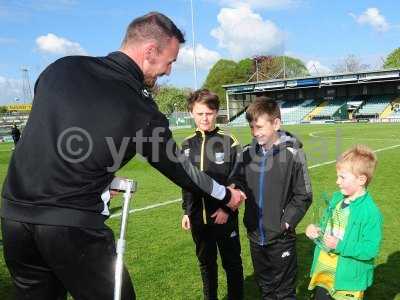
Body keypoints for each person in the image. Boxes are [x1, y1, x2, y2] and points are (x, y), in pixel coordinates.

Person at [0, 12, 245, 300]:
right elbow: (180, 169)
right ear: (150, 52)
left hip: (13, 220)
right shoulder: (140, 107)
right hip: (71, 226)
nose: (167, 71)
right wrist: (226, 195)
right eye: (170, 61)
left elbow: (54, 136)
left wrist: (101, 176)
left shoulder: (61, 68)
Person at [230, 98, 312, 299]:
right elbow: (237, 179)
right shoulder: (247, 153)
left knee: (284, 291)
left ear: (276, 123)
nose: (255, 132)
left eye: (259, 126)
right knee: (266, 288)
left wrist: (285, 222)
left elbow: (304, 194)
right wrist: (233, 188)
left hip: (281, 237)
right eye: (251, 127)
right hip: (255, 235)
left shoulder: (294, 154)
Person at [181, 89, 244, 300]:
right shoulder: (186, 145)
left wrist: (227, 208)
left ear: (216, 112)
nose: (204, 118)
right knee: (206, 264)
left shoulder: (230, 142)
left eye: (209, 113)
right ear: (191, 113)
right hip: (199, 218)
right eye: (199, 113)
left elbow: (239, 180)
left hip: (224, 217)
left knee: (232, 263)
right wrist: (186, 212)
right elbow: (186, 183)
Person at [306, 145, 383, 300]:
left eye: (342, 177)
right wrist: (315, 231)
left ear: (361, 179)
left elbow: (370, 249)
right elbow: (326, 226)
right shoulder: (336, 199)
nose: (337, 181)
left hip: (348, 282)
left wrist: (339, 246)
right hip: (324, 273)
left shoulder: (371, 212)